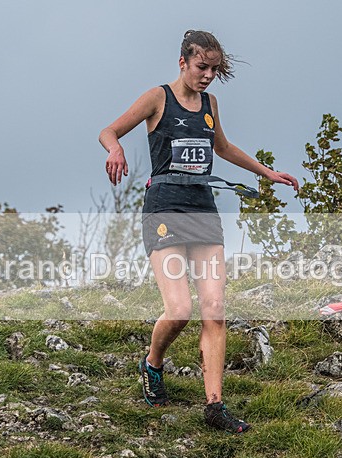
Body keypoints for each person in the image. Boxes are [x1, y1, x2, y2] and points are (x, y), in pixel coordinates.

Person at [99, 30, 298, 433]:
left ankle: (214, 407)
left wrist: (266, 173)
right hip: (164, 211)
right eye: (201, 67)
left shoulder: (210, 104)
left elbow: (222, 147)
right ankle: (153, 363)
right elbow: (109, 131)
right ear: (182, 63)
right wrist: (116, 148)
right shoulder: (158, 98)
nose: (207, 76)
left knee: (214, 310)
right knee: (181, 310)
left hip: (204, 212)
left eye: (213, 69)